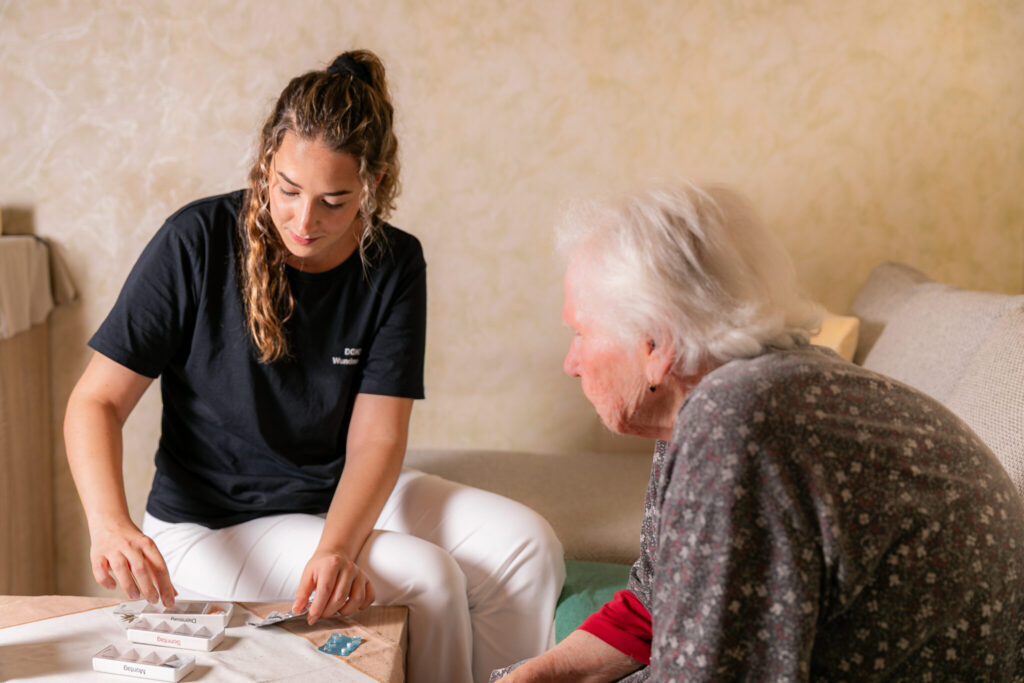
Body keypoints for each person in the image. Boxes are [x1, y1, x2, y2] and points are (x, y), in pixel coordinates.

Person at [64, 49, 564, 683]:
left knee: (528, 544)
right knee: (427, 577)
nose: (304, 221)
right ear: (266, 162)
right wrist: (110, 524)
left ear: (373, 183)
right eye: (288, 190)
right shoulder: (194, 241)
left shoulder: (394, 261)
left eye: (334, 200)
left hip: (335, 499)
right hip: (213, 524)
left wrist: (337, 546)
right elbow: (96, 402)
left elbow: (379, 435)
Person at [493, 183, 1024, 680]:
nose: (571, 363)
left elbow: (717, 673)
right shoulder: (718, 392)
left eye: (581, 333)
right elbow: (656, 600)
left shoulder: (740, 419)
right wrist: (529, 677)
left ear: (655, 341)